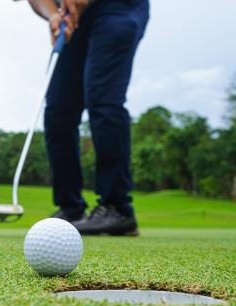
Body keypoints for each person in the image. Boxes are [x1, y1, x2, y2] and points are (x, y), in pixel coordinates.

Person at [24, 0, 149, 235]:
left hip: (118, 8)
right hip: (72, 18)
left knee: (103, 98)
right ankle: (70, 208)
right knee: (58, 108)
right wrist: (52, 15)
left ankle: (117, 207)